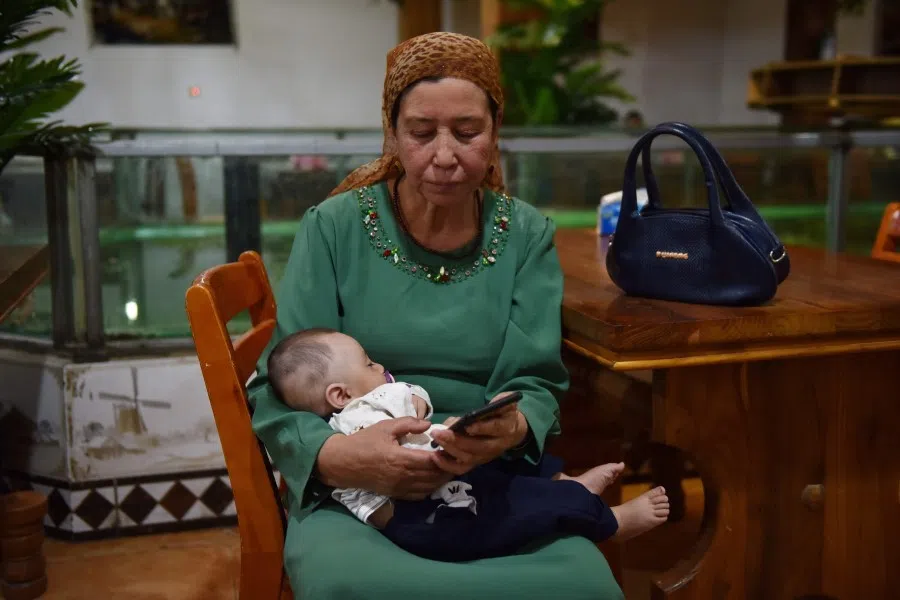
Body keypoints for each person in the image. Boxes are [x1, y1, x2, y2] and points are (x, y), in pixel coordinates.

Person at [248, 31, 629, 599]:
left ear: (495, 135)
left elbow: (535, 380)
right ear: (393, 136)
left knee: (582, 584)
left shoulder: (526, 235)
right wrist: (342, 457)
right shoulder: (334, 228)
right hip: (360, 493)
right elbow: (278, 387)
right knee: (347, 581)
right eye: (421, 133)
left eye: (468, 132)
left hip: (489, 480)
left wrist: (510, 428)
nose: (445, 155)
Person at [266, 328, 670, 562]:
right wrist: (412, 397)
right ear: (340, 393)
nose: (379, 368)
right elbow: (415, 397)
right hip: (427, 514)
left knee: (502, 470)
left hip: (408, 517)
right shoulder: (376, 401)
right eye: (369, 364)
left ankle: (569, 485)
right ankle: (607, 520)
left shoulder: (332, 427)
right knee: (511, 507)